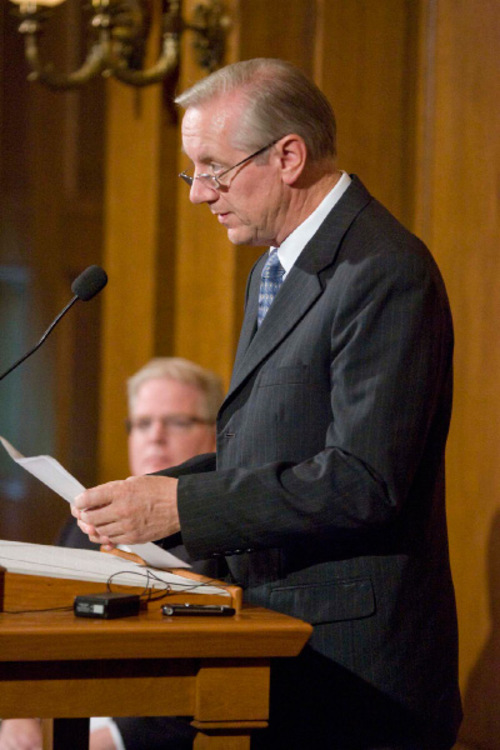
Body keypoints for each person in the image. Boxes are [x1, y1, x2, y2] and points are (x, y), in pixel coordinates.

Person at [72, 59, 463, 749]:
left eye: (214, 168)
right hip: (281, 652)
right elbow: (274, 453)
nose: (200, 194)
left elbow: (364, 480)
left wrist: (181, 509)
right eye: (195, 172)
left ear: (288, 156)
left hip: (355, 681)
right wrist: (151, 495)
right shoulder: (275, 268)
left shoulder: (383, 269)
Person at [0, 357, 224, 750]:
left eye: (176, 422)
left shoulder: (224, 536)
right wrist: (19, 717)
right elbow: (37, 628)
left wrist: (108, 739)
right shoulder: (81, 523)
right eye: (142, 423)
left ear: (216, 434)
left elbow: (216, 677)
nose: (154, 436)